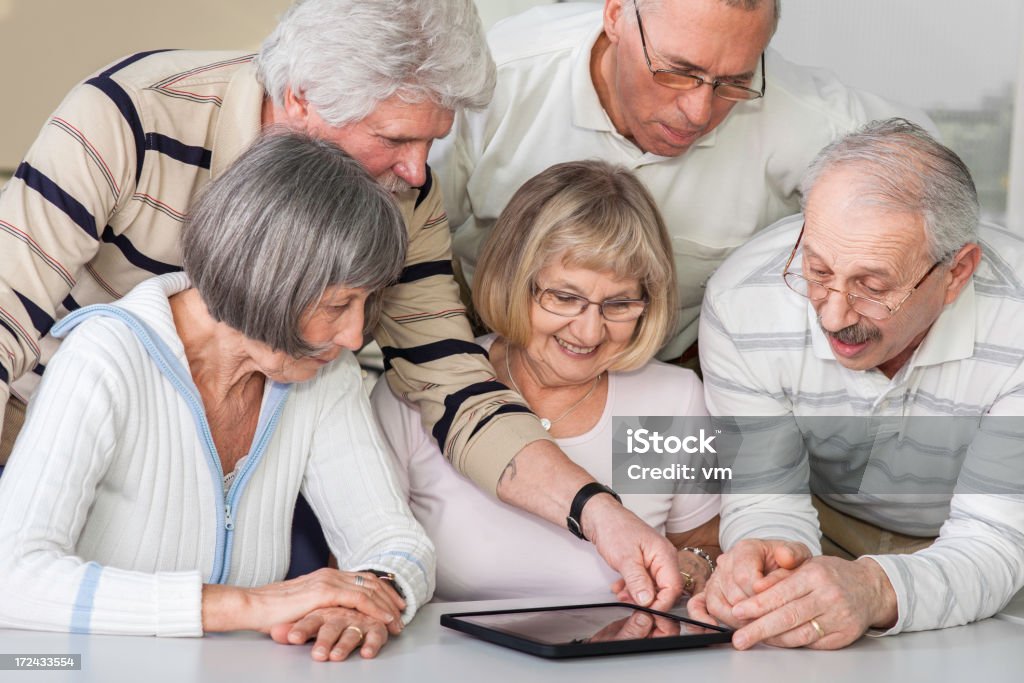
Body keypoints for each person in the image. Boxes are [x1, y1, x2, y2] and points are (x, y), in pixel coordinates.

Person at [0, 0, 683, 608]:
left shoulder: (395, 212)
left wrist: (596, 511)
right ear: (301, 100)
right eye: (393, 139)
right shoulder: (130, 118)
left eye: (431, 141)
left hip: (255, 462)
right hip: (47, 434)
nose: (418, 173)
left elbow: (448, 383)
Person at [0, 133, 435, 661]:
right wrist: (248, 605)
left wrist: (365, 596)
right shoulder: (106, 354)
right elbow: (13, 576)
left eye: (366, 302)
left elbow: (395, 540)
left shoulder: (326, 371)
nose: (353, 335)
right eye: (338, 304)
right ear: (264, 280)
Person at [431, 0, 933, 362]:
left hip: (677, 368)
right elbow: (411, 240)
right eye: (677, 72)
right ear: (614, 16)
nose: (698, 112)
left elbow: (935, 183)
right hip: (484, 347)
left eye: (733, 82)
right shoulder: (494, 79)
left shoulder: (805, 116)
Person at [688, 118, 1024, 649]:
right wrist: (768, 561)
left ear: (957, 272)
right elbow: (767, 498)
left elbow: (995, 539)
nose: (834, 316)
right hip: (831, 525)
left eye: (873, 287)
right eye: (817, 271)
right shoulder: (743, 302)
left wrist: (874, 588)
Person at [372, 160, 720, 603]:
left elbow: (706, 547)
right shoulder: (415, 392)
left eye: (619, 304)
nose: (590, 332)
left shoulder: (677, 400)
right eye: (565, 297)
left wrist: (687, 572)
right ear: (513, 280)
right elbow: (367, 566)